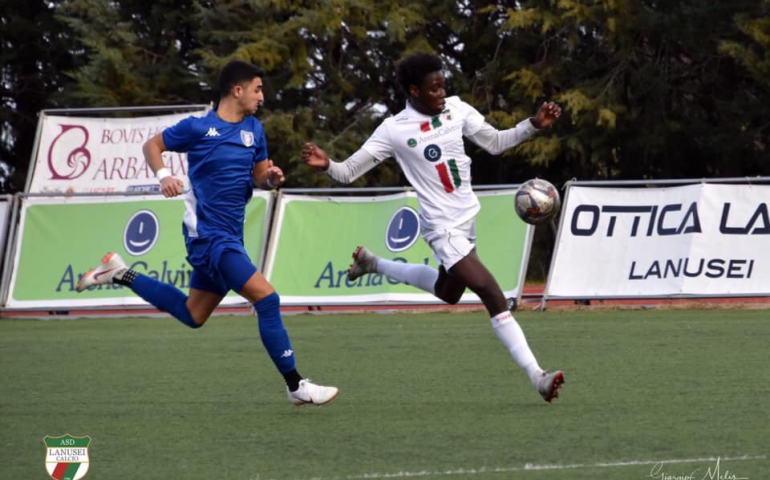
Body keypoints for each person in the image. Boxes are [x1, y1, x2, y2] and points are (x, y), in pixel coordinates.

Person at [302, 52, 564, 402]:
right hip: (441, 228)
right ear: (414, 90)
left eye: (443, 86)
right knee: (490, 290)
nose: (441, 93)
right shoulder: (394, 130)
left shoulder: (458, 109)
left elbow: (496, 142)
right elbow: (349, 171)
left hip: (467, 219)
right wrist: (326, 165)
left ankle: (373, 263)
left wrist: (533, 124)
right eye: (434, 88)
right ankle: (537, 376)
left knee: (449, 292)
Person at [77, 60, 338, 406]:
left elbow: (260, 176)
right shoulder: (197, 128)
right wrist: (163, 177)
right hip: (209, 238)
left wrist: (270, 179)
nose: (262, 96)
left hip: (229, 236)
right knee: (268, 299)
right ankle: (296, 386)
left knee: (193, 314)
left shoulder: (254, 130)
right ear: (237, 90)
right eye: (258, 89)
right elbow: (151, 147)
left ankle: (120, 273)